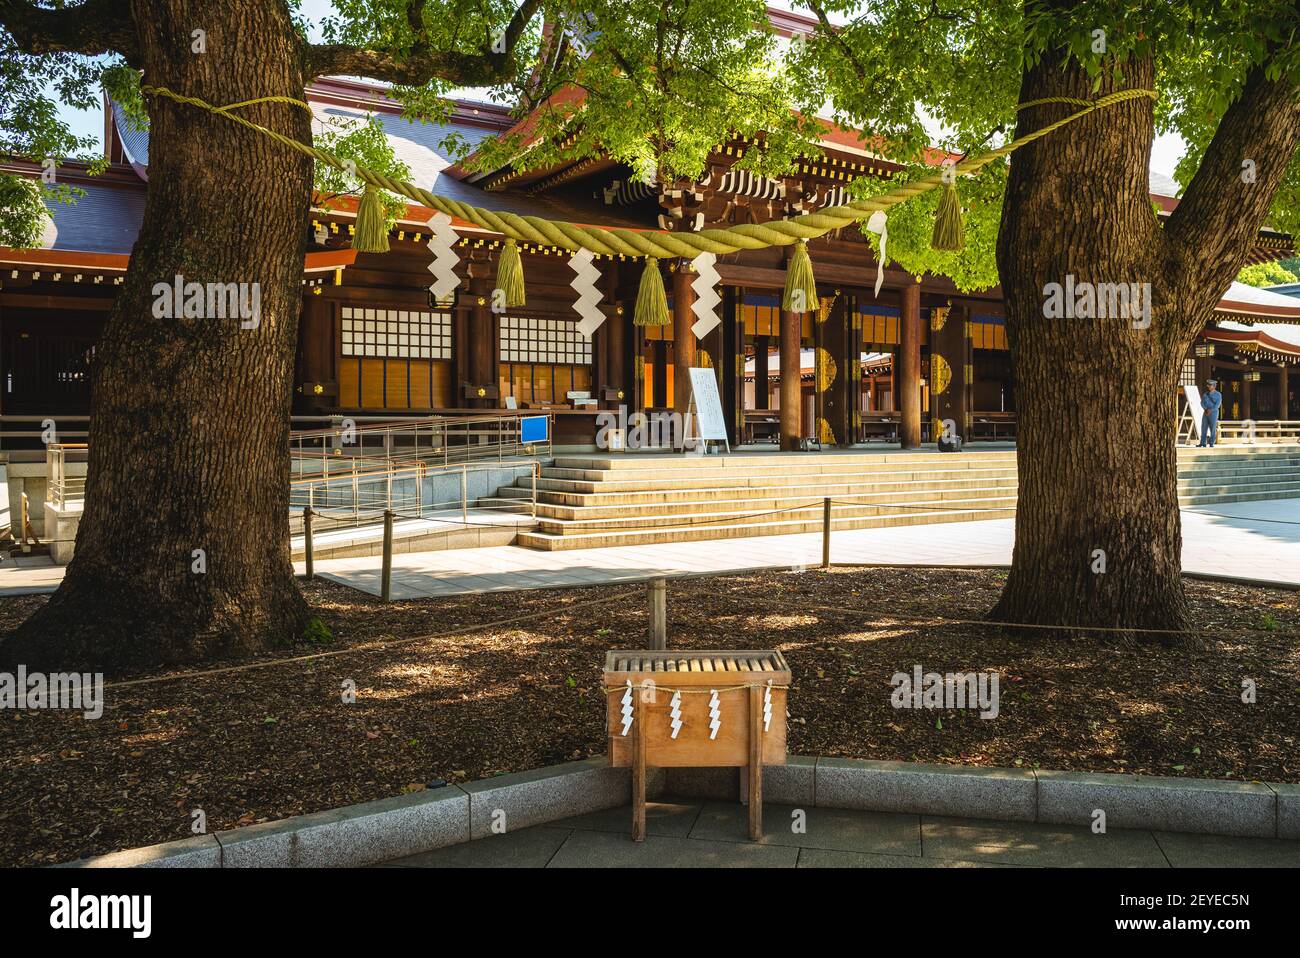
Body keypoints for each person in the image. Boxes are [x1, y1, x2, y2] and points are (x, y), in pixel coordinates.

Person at [1199, 379, 1222, 447]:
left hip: (1214, 413)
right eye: (1208, 385)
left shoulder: (1218, 394)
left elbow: (1218, 404)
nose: (1208, 386)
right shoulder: (1205, 394)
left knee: (1213, 427)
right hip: (1206, 412)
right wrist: (1206, 409)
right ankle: (1202, 443)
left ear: (1214, 386)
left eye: (1210, 385)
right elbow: (1202, 403)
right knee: (1204, 427)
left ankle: (1211, 443)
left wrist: (1210, 410)